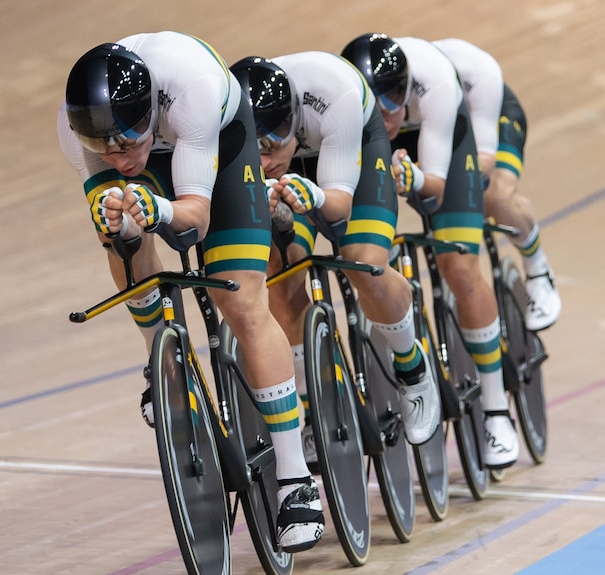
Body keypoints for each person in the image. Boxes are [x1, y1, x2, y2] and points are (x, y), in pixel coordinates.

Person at [56, 32, 323, 552]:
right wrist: (120, 218)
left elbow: (194, 223)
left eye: (128, 137)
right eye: (101, 146)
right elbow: (111, 210)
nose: (118, 155)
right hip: (166, 146)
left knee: (243, 303)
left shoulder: (192, 91)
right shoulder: (78, 127)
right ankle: (162, 359)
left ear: (149, 110)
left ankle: (296, 480)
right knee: (119, 235)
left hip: (217, 144)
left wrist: (159, 210)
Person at [229, 53, 441, 457]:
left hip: (353, 153)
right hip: (299, 170)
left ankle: (412, 367)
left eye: (272, 147)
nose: (264, 162)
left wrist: (316, 196)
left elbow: (339, 208)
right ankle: (310, 405)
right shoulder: (238, 116)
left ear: (296, 120)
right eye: (256, 153)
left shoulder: (335, 95)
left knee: (363, 263)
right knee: (280, 276)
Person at [341, 33, 520, 468]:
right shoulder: (354, 103)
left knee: (458, 263)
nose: (384, 121)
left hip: (450, 139)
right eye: (375, 112)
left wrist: (416, 179)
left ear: (404, 96)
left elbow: (436, 189)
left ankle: (497, 411)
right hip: (392, 143)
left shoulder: (437, 84)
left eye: (389, 112)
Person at [432, 38, 561, 332]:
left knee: (495, 195)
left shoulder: (475, 70)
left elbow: (485, 160)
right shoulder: (399, 95)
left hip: (492, 117)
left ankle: (538, 268)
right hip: (441, 128)